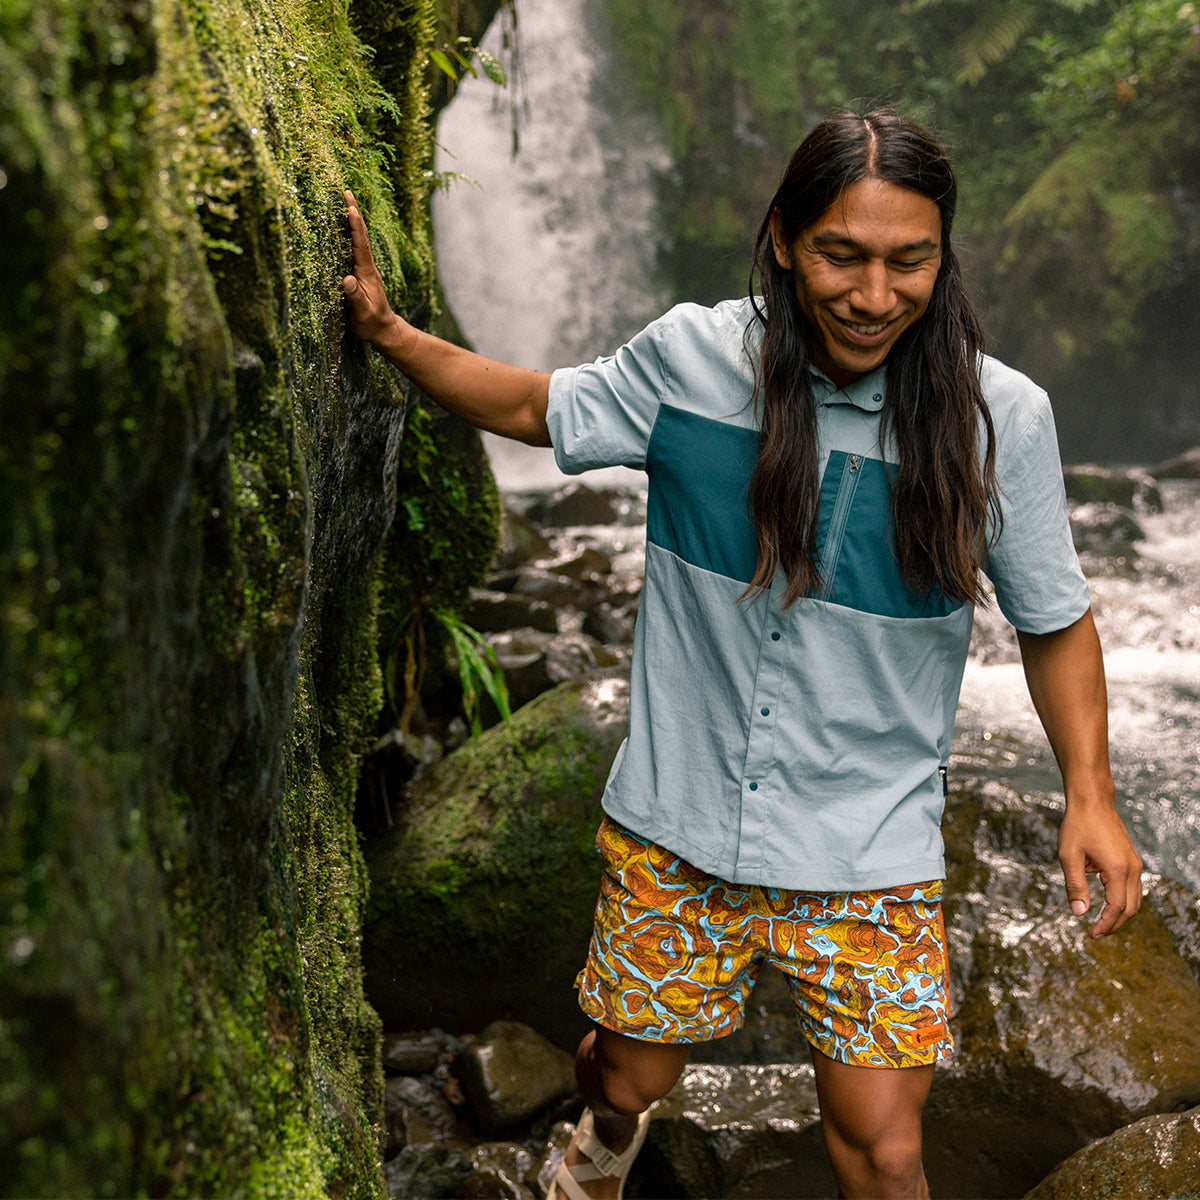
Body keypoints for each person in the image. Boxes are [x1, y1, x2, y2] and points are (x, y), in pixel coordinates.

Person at [341, 109, 1143, 1200]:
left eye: (910, 261)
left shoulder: (1001, 420)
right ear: (781, 239)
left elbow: (1053, 617)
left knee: (883, 1143)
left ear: (944, 255)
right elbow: (537, 407)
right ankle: (607, 1131)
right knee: (631, 1073)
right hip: (682, 821)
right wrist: (391, 336)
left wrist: (1088, 794)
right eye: (841, 255)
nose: (875, 295)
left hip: (867, 843)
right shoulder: (690, 360)